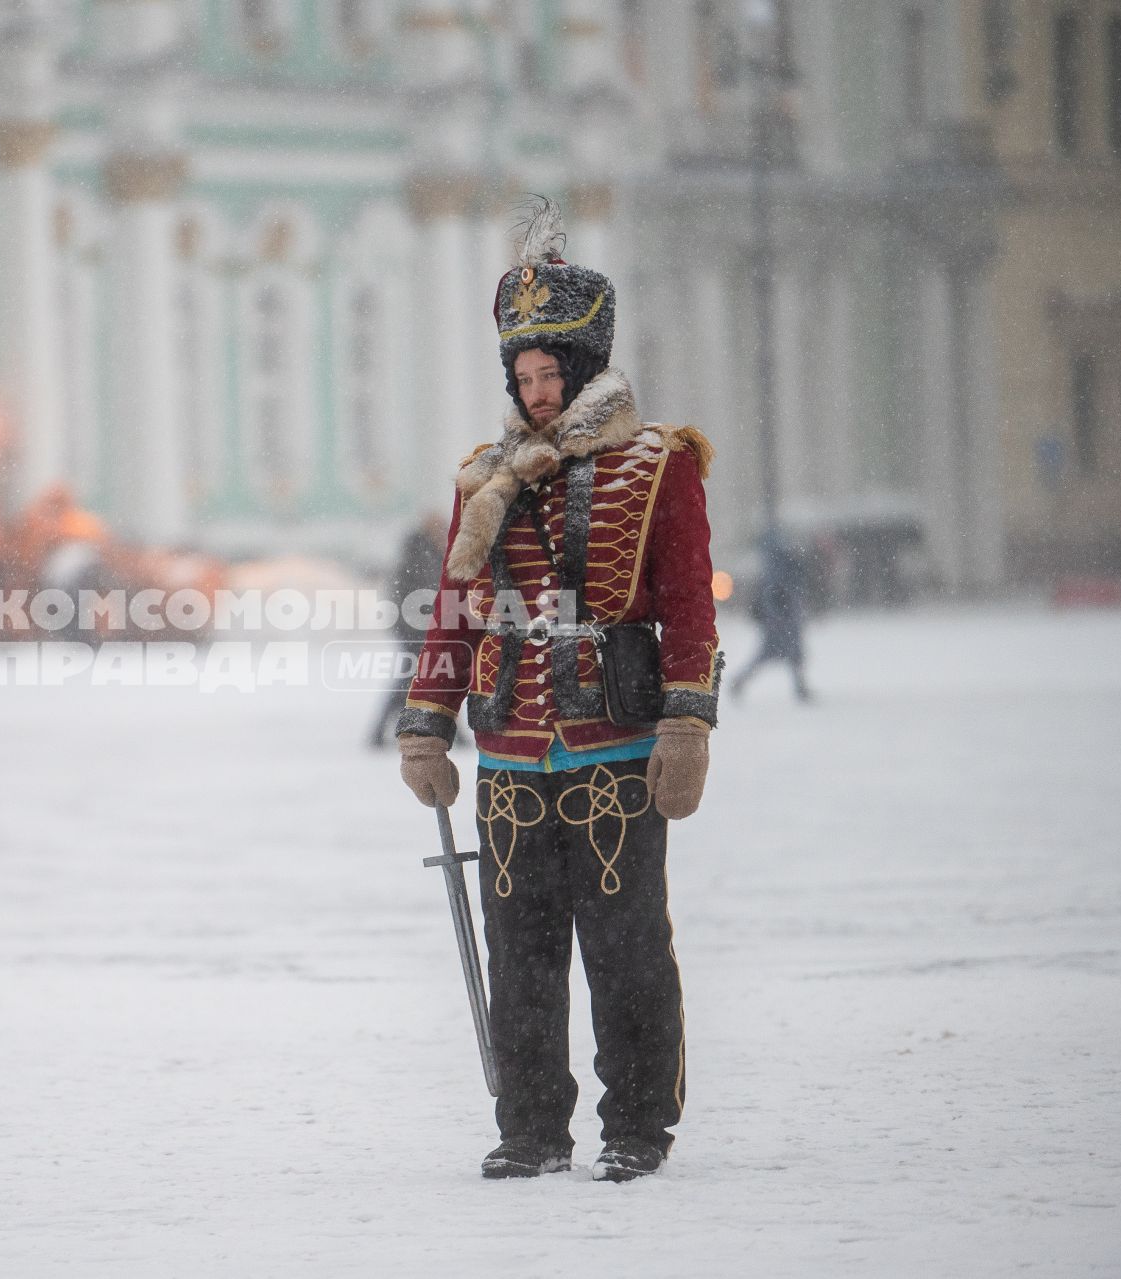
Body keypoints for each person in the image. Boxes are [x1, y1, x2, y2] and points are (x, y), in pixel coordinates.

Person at [395, 199, 722, 1184]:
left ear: (583, 371)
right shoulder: (484, 481)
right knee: (522, 955)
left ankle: (637, 1122)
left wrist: (687, 723)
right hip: (509, 751)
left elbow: (688, 603)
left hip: (615, 741)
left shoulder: (657, 463)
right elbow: (455, 611)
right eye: (524, 376)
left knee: (625, 947)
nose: (536, 392)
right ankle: (531, 1124)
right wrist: (426, 725)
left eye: (551, 374)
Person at [368, 512, 449, 748]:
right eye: (441, 528)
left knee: (427, 677)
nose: (444, 533)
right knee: (414, 678)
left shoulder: (422, 553)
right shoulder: (421, 555)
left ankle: (386, 729)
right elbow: (423, 592)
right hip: (414, 629)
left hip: (418, 628)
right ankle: (381, 730)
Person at [732, 533, 813, 703]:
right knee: (783, 655)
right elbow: (777, 591)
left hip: (779, 620)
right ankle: (740, 681)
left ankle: (741, 682)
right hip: (781, 621)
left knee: (780, 656)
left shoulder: (775, 568)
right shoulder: (781, 568)